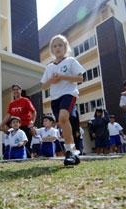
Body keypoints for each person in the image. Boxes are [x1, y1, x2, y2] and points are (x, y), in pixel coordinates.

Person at [40, 34, 85, 165]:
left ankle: (69, 152)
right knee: (63, 122)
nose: (57, 48)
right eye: (54, 46)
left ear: (65, 47)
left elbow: (81, 78)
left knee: (63, 118)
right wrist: (52, 80)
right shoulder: (49, 67)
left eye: (60, 45)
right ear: (52, 50)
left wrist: (63, 77)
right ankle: (74, 152)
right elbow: (43, 85)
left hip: (69, 94)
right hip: (55, 98)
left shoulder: (71, 61)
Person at [0, 84, 36, 158]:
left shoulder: (26, 100)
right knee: (15, 144)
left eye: (17, 89)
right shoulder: (12, 104)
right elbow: (8, 115)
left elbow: (34, 111)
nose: (16, 91)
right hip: (15, 127)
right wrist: (1, 124)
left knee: (26, 145)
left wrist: (32, 122)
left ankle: (27, 161)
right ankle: (15, 159)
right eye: (14, 90)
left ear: (20, 90)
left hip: (25, 126)